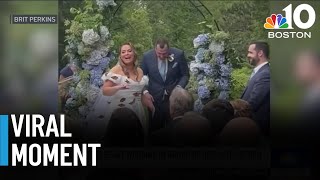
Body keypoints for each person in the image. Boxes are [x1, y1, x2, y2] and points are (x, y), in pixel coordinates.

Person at [86, 42, 148, 139]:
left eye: (129, 51)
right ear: (120, 56)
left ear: (134, 53)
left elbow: (138, 88)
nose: (126, 53)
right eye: (123, 52)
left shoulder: (139, 71)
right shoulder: (115, 70)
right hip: (120, 110)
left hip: (137, 109)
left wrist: (145, 94)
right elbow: (105, 91)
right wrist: (117, 87)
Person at [141, 38, 190, 133]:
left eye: (164, 53)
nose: (162, 56)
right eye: (159, 53)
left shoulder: (179, 54)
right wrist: (145, 92)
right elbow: (141, 76)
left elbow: (185, 75)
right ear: (155, 49)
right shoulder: (147, 56)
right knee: (155, 129)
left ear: (169, 49)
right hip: (154, 98)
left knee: (175, 129)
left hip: (174, 99)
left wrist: (178, 88)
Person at [241, 41, 270, 136]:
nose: (248, 55)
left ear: (260, 53)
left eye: (250, 52)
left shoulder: (265, 74)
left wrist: (236, 112)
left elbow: (253, 102)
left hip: (255, 127)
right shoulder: (260, 72)